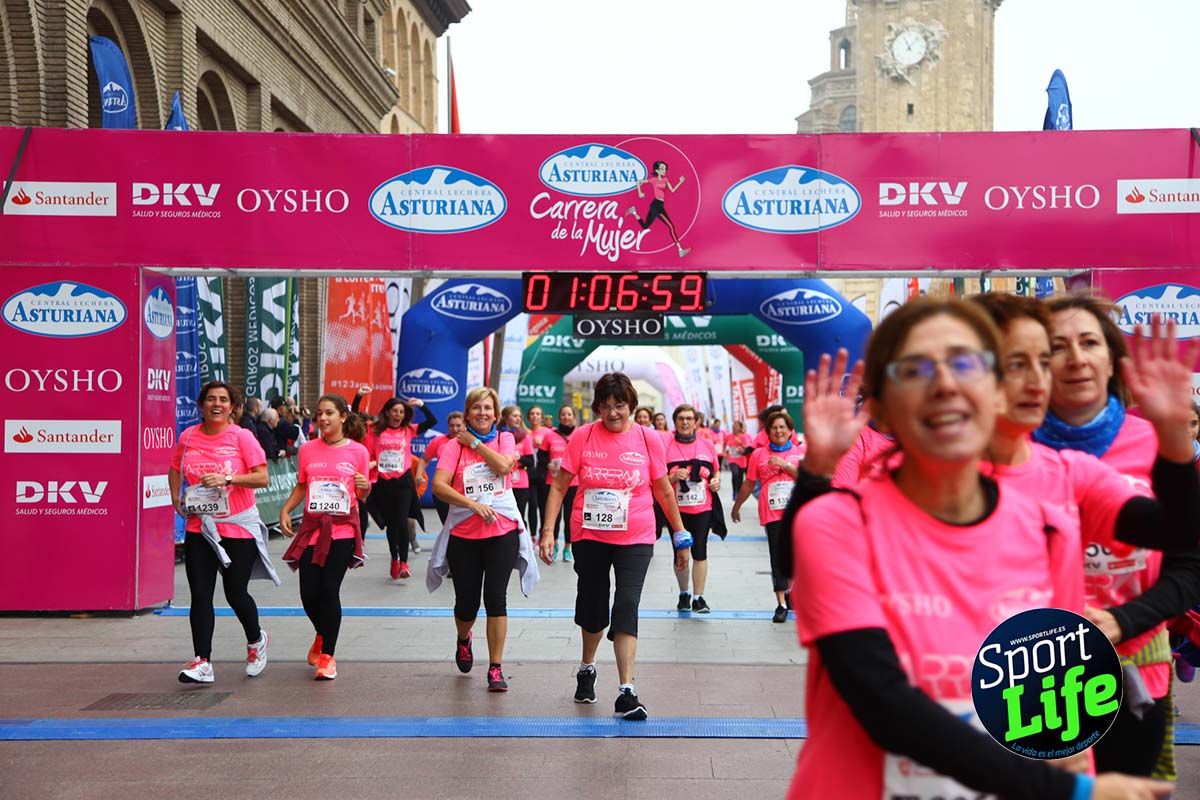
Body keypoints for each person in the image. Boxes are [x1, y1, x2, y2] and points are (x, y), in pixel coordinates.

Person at [787, 297, 1169, 800]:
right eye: (915, 369)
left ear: (995, 393)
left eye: (966, 363)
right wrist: (1065, 791)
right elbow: (884, 703)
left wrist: (1176, 446)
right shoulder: (838, 520)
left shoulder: (1046, 524)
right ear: (878, 404)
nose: (946, 383)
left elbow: (1054, 699)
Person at [1037, 294, 1200, 779]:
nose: (1076, 357)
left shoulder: (1158, 443)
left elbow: (1190, 562)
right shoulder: (1009, 450)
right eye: (1057, 346)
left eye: (1089, 342)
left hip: (1137, 669)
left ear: (1111, 359)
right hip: (1033, 671)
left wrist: (1122, 620)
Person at [540, 372, 692, 721]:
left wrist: (680, 537)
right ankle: (587, 666)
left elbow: (664, 490)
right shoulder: (582, 436)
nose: (612, 413)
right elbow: (560, 485)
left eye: (619, 406)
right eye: (605, 406)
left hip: (635, 536)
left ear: (631, 406)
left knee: (626, 604)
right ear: (597, 408)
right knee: (594, 608)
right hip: (589, 535)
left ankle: (627, 691)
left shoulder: (649, 438)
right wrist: (548, 531)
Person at [428, 388, 539, 692]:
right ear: (468, 412)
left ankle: (495, 668)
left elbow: (504, 467)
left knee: (496, 598)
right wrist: (471, 504)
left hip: (501, 531)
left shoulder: (504, 438)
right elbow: (439, 486)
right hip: (464, 534)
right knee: (467, 602)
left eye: (488, 408)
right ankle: (464, 639)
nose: (482, 413)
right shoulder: (453, 447)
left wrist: (475, 442)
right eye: (476, 408)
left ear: (495, 412)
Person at [169, 380, 277, 684]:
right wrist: (177, 500)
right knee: (200, 594)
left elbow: (263, 477)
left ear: (233, 407)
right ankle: (202, 661)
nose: (217, 404)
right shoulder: (188, 436)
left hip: (237, 526)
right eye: (211, 399)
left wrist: (229, 479)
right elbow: (175, 469)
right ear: (202, 405)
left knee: (235, 593)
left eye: (223, 400)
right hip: (199, 526)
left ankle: (256, 640)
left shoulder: (242, 437)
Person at [278, 395, 371, 681]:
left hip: (342, 530)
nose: (323, 418)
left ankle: (328, 656)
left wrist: (364, 487)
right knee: (309, 594)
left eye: (329, 413)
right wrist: (285, 510)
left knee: (329, 590)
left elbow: (362, 494)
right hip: (312, 529)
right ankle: (322, 632)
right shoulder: (308, 450)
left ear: (343, 416)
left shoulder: (358, 452)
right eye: (319, 413)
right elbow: (302, 486)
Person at [731, 410, 803, 623]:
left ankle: (792, 592)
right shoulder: (758, 455)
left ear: (790, 431)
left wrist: (785, 466)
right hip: (772, 513)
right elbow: (749, 483)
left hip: (797, 512)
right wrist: (737, 507)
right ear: (768, 432)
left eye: (783, 427)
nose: (779, 431)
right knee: (777, 556)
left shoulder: (801, 452)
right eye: (774, 428)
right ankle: (781, 603)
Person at [371, 396, 436, 580]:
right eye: (395, 411)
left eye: (401, 411)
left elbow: (432, 421)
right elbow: (357, 419)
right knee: (392, 525)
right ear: (387, 412)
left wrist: (422, 404)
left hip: (404, 482)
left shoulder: (408, 429)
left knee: (401, 521)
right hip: (384, 482)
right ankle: (394, 558)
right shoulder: (375, 431)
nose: (398, 414)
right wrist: (359, 396)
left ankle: (404, 563)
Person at [666, 404, 721, 613]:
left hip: (703, 508)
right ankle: (684, 593)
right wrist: (672, 477)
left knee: (700, 551)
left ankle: (699, 597)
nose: (685, 422)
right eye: (681, 418)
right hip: (676, 510)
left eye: (689, 418)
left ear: (696, 421)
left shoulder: (706, 444)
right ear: (675, 421)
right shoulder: (666, 445)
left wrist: (716, 481)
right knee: (681, 553)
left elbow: (716, 471)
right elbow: (659, 478)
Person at [625, 160, 691, 258]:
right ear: (657, 170)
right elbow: (638, 181)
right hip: (656, 205)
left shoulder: (666, 180)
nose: (664, 170)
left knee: (645, 226)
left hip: (659, 205)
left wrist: (680, 182)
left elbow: (672, 190)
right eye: (662, 169)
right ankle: (680, 250)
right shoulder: (653, 180)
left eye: (665, 169)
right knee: (671, 226)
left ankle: (634, 211)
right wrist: (640, 193)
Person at [541, 404, 578, 562]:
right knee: (553, 515)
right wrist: (547, 465)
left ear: (573, 417)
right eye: (563, 414)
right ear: (559, 417)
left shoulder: (579, 434)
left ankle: (567, 548)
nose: (566, 417)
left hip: (574, 482)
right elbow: (541, 457)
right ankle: (554, 544)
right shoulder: (550, 435)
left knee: (570, 517)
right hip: (553, 482)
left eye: (569, 414)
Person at [416, 411, 466, 525]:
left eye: (458, 425)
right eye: (451, 425)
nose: (455, 428)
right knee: (448, 525)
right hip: (443, 490)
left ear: (465, 426)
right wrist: (419, 474)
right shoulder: (439, 441)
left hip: (463, 491)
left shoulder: (471, 442)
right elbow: (424, 458)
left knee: (462, 526)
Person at [499, 405, 533, 533]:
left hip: (520, 483)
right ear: (506, 418)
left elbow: (531, 462)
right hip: (502, 481)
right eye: (514, 416)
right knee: (503, 515)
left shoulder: (524, 437)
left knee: (519, 515)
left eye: (519, 416)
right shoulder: (498, 435)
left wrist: (520, 458)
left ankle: (523, 545)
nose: (518, 419)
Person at [526, 405, 550, 542]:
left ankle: (543, 534)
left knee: (543, 505)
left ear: (542, 417)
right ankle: (532, 534)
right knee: (532, 504)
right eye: (532, 414)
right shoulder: (525, 433)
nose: (535, 416)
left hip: (544, 474)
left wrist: (541, 446)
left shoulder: (547, 432)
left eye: (538, 414)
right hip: (529, 474)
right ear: (528, 417)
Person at [724, 420, 750, 497]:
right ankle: (735, 491)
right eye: (733, 426)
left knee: (740, 476)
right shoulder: (728, 436)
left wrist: (740, 443)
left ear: (740, 428)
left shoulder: (744, 437)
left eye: (736, 426)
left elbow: (747, 448)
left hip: (741, 459)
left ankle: (738, 491)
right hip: (732, 459)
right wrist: (725, 452)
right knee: (735, 473)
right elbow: (725, 445)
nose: (734, 428)